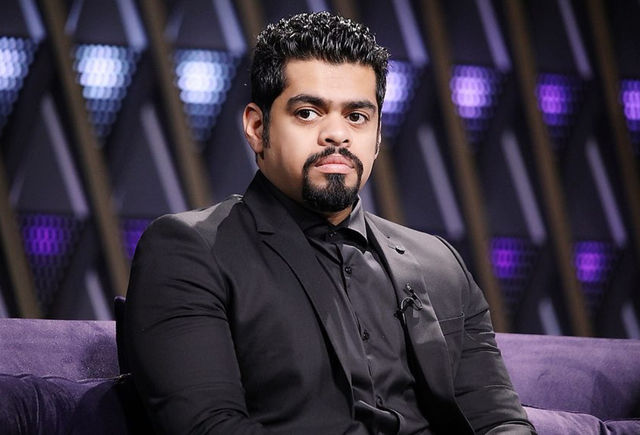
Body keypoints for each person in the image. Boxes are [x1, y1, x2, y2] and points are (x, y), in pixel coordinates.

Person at [125, 11, 535, 435]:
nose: (337, 134)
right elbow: (208, 426)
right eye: (308, 113)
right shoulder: (190, 251)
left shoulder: (439, 263)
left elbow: (499, 421)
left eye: (357, 117)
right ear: (257, 127)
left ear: (377, 136)